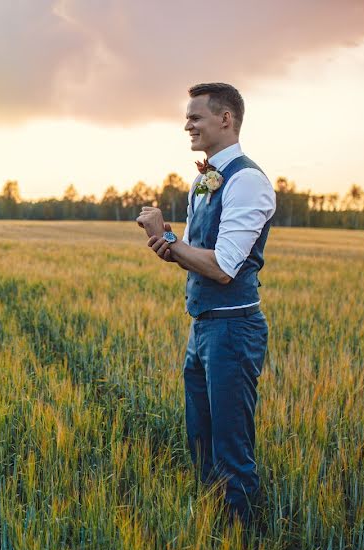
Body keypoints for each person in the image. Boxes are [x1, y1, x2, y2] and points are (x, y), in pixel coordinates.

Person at [136, 83, 275, 523]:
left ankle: (243, 548)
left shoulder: (248, 180)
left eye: (195, 116)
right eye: (187, 117)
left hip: (233, 330)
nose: (187, 124)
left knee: (231, 448)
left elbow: (222, 268)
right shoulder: (202, 179)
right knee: (200, 439)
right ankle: (212, 532)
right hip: (203, 327)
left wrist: (166, 238)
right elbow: (196, 258)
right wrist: (169, 246)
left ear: (225, 119)